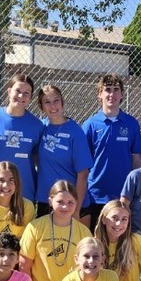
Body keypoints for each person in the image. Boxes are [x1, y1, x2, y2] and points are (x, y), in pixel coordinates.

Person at [82, 73, 141, 229]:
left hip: (123, 196)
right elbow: (83, 163)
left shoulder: (131, 124)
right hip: (96, 195)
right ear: (100, 94)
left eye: (116, 90)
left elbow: (136, 160)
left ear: (122, 94)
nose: (112, 94)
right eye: (107, 89)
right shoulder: (90, 124)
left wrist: (135, 190)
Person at [0, 73, 44, 198]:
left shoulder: (37, 125)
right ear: (9, 91)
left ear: (31, 97)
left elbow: (38, 156)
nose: (21, 96)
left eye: (27, 93)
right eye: (18, 91)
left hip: (24, 190)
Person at [36, 84, 91, 216]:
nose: (53, 106)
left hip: (70, 203)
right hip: (46, 200)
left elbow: (83, 174)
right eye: (47, 102)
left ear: (62, 102)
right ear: (41, 107)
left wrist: (76, 210)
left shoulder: (75, 132)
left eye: (56, 101)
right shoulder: (40, 127)